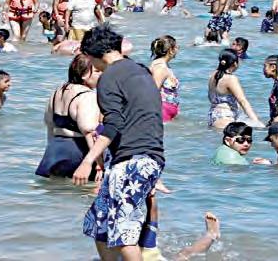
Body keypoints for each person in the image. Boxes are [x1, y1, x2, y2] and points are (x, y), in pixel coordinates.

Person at [75, 27, 165, 261]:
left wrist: (87, 161)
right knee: (99, 223)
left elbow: (113, 123)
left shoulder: (109, 77)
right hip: (148, 158)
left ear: (93, 55)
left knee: (123, 233)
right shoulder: (141, 71)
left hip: (131, 162)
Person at [36, 53, 102, 179]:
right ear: (83, 74)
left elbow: (49, 124)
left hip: (53, 152)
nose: (101, 74)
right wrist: (99, 164)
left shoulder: (57, 92)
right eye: (97, 71)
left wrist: (50, 150)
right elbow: (89, 132)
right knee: (85, 190)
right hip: (77, 152)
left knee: (56, 190)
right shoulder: (87, 96)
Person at [208, 50, 262, 129]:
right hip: (226, 117)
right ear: (235, 64)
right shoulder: (230, 79)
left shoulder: (213, 75)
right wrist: (256, 122)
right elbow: (242, 101)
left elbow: (211, 97)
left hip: (213, 116)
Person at [148, 35, 180, 123]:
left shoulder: (164, 65)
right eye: (176, 47)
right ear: (170, 50)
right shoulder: (160, 68)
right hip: (162, 110)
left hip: (167, 110)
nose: (178, 50)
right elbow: (152, 92)